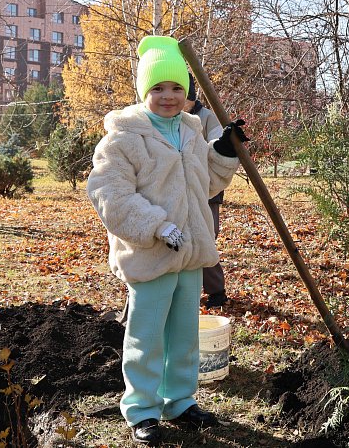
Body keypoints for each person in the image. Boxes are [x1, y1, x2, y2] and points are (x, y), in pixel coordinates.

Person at [86, 35, 249, 446]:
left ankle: (179, 401)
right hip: (151, 253)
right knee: (146, 335)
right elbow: (110, 194)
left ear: (188, 93)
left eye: (177, 87)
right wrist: (158, 226)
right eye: (157, 88)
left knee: (183, 333)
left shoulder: (192, 133)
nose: (168, 96)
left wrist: (224, 152)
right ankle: (142, 408)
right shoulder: (123, 139)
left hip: (191, 254)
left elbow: (206, 183)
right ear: (144, 91)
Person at [182, 76, 229, 308]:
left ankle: (216, 291)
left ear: (191, 98)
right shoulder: (170, 116)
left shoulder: (207, 117)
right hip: (179, 190)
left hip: (208, 189)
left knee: (206, 238)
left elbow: (217, 145)